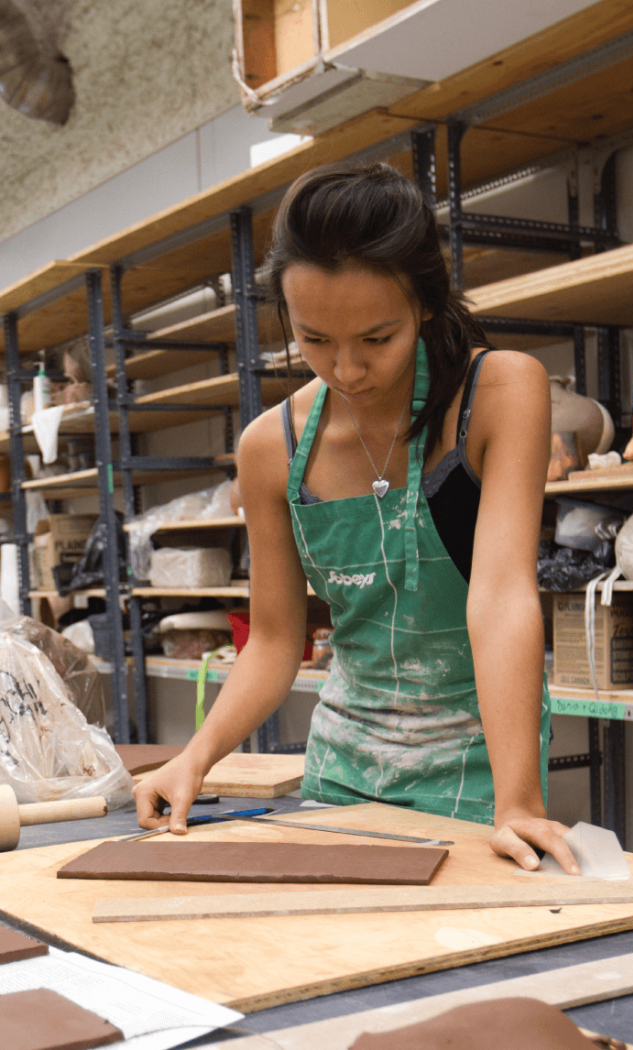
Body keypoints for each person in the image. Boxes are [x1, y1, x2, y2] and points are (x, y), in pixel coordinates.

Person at [134, 162, 579, 875]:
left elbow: (500, 599)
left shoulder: (498, 393)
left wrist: (518, 801)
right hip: (343, 766)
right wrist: (195, 759)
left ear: (424, 305)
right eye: (314, 340)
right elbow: (275, 641)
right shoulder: (269, 447)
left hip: (481, 762)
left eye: (377, 338)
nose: (346, 369)